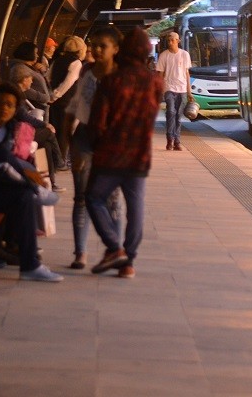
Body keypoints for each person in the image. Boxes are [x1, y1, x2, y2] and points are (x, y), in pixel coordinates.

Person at [86, 28, 164, 278]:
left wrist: (93, 146)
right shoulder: (155, 82)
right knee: (136, 206)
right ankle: (129, 261)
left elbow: (98, 121)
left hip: (111, 152)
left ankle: (113, 246)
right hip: (140, 154)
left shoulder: (112, 81)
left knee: (93, 198)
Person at [0, 83, 63, 283]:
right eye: (0, 103)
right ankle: (35, 189)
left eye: (10, 105)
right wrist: (28, 177)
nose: (4, 108)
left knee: (23, 196)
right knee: (3, 158)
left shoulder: (12, 130)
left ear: (15, 110)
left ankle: (30, 264)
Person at [64, 25, 124, 269]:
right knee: (81, 198)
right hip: (84, 137)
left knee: (112, 198)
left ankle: (116, 250)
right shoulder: (86, 71)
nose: (96, 50)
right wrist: (71, 145)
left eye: (103, 46)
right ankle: (80, 253)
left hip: (112, 142)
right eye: (93, 46)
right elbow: (74, 107)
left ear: (116, 49)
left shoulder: (124, 76)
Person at [9, 63, 67, 191]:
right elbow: (23, 116)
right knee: (48, 132)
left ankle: (49, 181)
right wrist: (45, 124)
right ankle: (60, 162)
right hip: (17, 133)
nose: (31, 81)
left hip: (20, 130)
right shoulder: (16, 94)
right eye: (30, 79)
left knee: (45, 145)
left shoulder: (18, 92)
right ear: (24, 79)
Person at [49, 35, 87, 159]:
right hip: (67, 101)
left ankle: (56, 158)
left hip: (55, 102)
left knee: (56, 129)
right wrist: (56, 95)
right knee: (65, 132)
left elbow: (48, 76)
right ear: (81, 49)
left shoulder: (57, 60)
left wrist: (51, 95)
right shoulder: (76, 63)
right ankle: (61, 159)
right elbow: (68, 82)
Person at [156, 31, 192, 151]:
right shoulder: (164, 55)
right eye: (168, 40)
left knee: (178, 115)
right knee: (171, 111)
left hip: (182, 89)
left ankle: (177, 141)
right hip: (169, 88)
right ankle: (170, 139)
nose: (170, 42)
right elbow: (160, 74)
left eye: (172, 40)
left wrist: (189, 91)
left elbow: (187, 74)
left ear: (178, 41)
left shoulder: (185, 55)